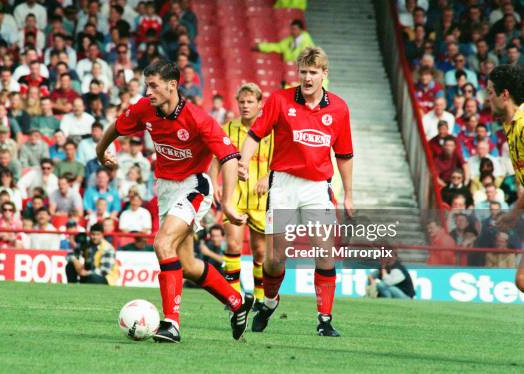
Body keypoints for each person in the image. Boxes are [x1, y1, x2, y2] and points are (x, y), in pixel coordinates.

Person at [96, 59, 252, 343]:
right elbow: (117, 127)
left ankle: (172, 324)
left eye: (154, 85)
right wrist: (100, 151)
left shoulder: (198, 118)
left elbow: (229, 158)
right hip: (166, 188)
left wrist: (227, 202)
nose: (149, 91)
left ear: (172, 85)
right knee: (188, 264)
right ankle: (237, 301)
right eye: (147, 85)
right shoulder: (145, 108)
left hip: (195, 185)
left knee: (162, 244)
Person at [237, 47, 353, 336]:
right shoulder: (280, 100)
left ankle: (324, 320)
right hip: (284, 184)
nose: (307, 77)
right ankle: (270, 301)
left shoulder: (339, 108)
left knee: (325, 253)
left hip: (317, 187)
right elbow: (255, 134)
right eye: (303, 72)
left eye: (314, 72)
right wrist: (243, 161)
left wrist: (349, 193)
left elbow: (345, 154)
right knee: (275, 258)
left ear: (324, 74)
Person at [210, 83, 270, 308]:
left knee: (260, 252)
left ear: (259, 104)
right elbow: (217, 157)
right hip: (234, 196)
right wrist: (213, 181)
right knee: (234, 245)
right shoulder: (227, 128)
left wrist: (267, 178)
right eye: (242, 102)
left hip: (261, 199)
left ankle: (259, 296)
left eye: (250, 102)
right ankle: (233, 297)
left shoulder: (271, 130)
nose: (245, 106)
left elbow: (283, 161)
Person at [486, 64, 524, 292]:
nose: (487, 98)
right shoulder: (510, 127)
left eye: (490, 92)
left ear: (505, 94)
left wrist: (512, 213)